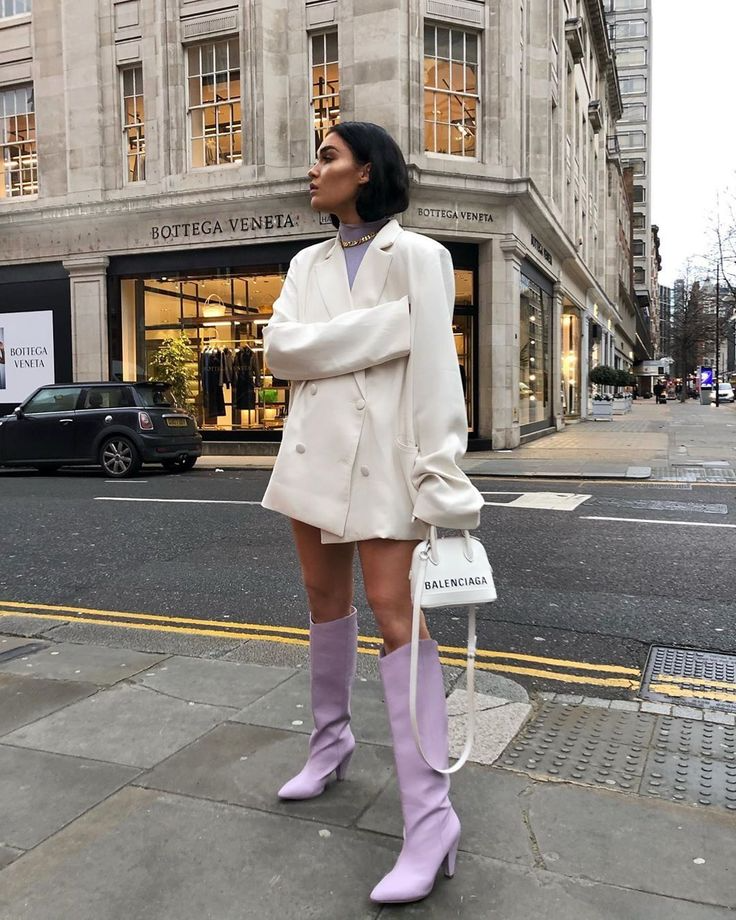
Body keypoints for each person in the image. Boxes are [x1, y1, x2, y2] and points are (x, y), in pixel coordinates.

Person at [261, 122, 483, 905]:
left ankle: (431, 820)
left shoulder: (419, 257)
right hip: (313, 459)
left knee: (398, 622)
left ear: (366, 171)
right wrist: (379, 332)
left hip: (389, 464)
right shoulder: (303, 262)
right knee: (325, 605)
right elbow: (279, 352)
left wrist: (442, 474)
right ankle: (330, 747)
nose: (312, 167)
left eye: (326, 154)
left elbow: (433, 378)